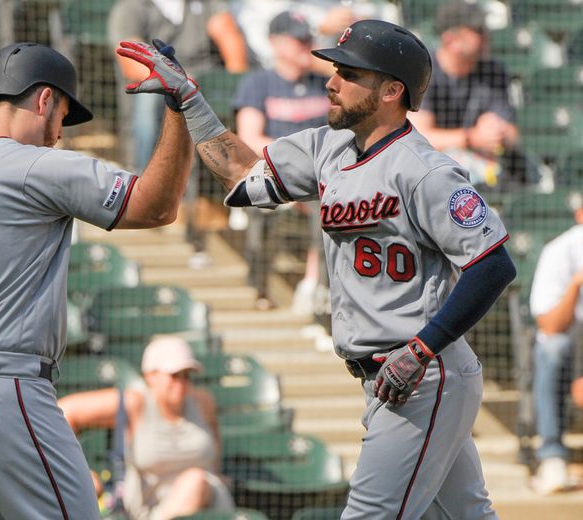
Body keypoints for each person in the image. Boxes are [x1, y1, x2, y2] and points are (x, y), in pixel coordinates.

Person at [118, 18, 517, 518]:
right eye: (335, 68)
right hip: (392, 372)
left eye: (349, 72)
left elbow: (493, 265)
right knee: (465, 514)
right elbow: (242, 174)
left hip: (421, 372)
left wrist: (420, 350)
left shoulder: (425, 171)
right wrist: (191, 103)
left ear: (393, 90)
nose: (331, 80)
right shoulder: (328, 148)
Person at [0, 41, 194, 519]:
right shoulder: (33, 165)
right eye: (63, 115)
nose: (59, 134)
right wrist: (181, 110)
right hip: (2, 396)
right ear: (45, 99)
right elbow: (157, 206)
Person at [58, 336, 234, 520]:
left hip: (207, 506)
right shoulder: (135, 402)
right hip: (144, 512)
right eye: (174, 375)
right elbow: (65, 412)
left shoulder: (203, 401)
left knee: (195, 480)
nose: (181, 383)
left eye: (187, 375)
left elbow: (215, 442)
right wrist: (79, 473)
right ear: (151, 376)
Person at [232, 10, 331, 312]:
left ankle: (316, 286)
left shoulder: (325, 83)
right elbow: (249, 138)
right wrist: (298, 157)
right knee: (261, 212)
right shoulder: (258, 83)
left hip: (320, 178)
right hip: (273, 173)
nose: (306, 45)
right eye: (298, 41)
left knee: (329, 207)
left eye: (308, 39)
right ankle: (260, 287)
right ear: (275, 43)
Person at [107, 0, 249, 172]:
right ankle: (142, 176)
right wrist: (177, 81)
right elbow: (131, 62)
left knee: (242, 96)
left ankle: (235, 174)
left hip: (200, 83)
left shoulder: (206, 5)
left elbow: (232, 46)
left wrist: (233, 84)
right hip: (158, 84)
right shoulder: (132, 7)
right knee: (148, 99)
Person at [407, 0, 529, 191]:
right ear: (451, 39)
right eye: (476, 31)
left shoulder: (493, 70)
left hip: (485, 164)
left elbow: (514, 135)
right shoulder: (424, 70)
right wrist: (471, 138)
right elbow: (418, 138)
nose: (486, 36)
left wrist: (499, 131)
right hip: (433, 169)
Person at [528, 193, 583, 495]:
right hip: (570, 340)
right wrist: (576, 284)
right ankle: (552, 456)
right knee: (550, 348)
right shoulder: (561, 250)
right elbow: (549, 325)